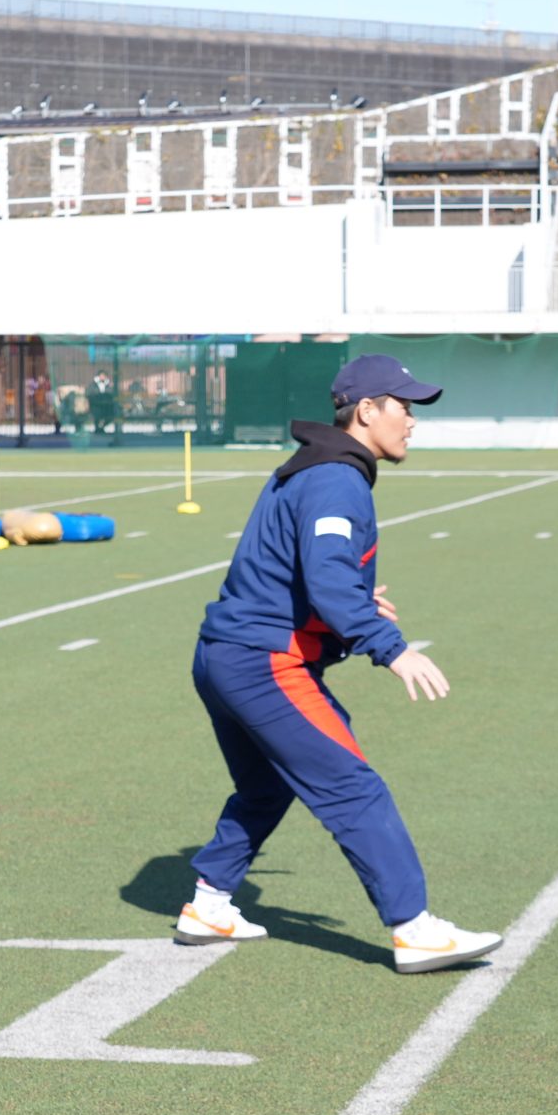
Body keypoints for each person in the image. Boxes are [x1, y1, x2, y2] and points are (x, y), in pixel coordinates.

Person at [181, 354, 501, 975]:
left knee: (267, 785)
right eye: (404, 407)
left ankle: (210, 904)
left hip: (225, 654)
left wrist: (348, 602)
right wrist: (390, 646)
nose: (412, 421)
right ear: (367, 410)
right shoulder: (336, 479)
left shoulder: (318, 470)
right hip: (262, 663)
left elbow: (289, 573)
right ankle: (415, 928)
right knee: (353, 785)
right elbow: (326, 577)